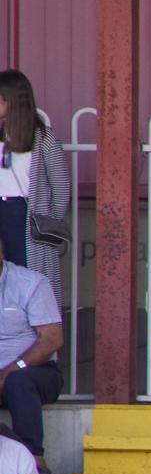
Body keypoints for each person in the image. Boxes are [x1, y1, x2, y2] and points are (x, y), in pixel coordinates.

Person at [0, 71, 71, 308]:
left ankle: (37, 339)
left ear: (13, 101)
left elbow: (61, 186)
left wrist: (48, 221)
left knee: (29, 280)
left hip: (26, 216)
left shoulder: (43, 138)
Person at [0, 235, 63, 470]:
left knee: (19, 381)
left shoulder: (30, 283)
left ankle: (32, 457)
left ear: (1, 253)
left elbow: (52, 340)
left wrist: (11, 369)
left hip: (33, 372)